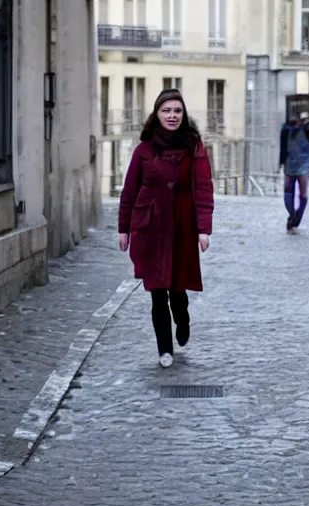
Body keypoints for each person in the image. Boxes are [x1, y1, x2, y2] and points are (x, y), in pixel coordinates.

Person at [118, 89, 214, 369]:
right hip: (151, 228)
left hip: (183, 226)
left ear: (183, 115)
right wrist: (123, 228)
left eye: (177, 111)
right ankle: (164, 349)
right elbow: (129, 191)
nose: (172, 116)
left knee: (178, 290)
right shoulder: (144, 150)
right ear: (156, 114)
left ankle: (182, 320)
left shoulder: (193, 146)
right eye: (166, 111)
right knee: (157, 291)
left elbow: (203, 188)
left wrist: (203, 229)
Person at [281, 112, 309, 234]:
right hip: (304, 165)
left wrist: (281, 162)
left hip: (291, 164)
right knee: (302, 194)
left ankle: (292, 217)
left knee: (289, 192)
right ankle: (295, 219)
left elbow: (282, 147)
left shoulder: (287, 128)